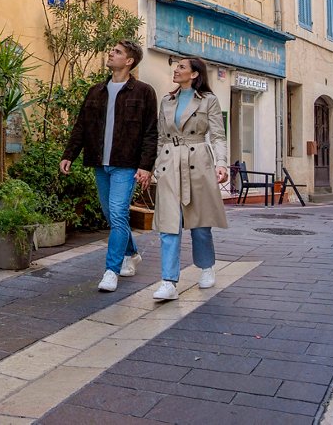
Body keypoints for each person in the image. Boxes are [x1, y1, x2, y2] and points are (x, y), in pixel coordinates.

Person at [59, 40, 158, 293]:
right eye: (112, 51)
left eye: (117, 52)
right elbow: (81, 125)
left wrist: (146, 166)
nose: (111, 54)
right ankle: (132, 252)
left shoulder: (143, 92)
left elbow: (150, 132)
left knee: (117, 213)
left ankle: (111, 271)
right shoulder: (96, 91)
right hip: (99, 163)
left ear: (129, 61)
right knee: (111, 214)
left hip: (125, 164)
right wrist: (69, 154)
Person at [151, 55, 228, 301]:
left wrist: (222, 163)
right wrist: (155, 165)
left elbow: (217, 135)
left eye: (182, 67)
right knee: (169, 223)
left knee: (200, 223)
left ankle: (206, 267)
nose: (176, 70)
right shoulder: (167, 101)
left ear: (195, 74)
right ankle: (168, 281)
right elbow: (161, 137)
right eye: (177, 67)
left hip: (199, 162)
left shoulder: (209, 101)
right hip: (170, 161)